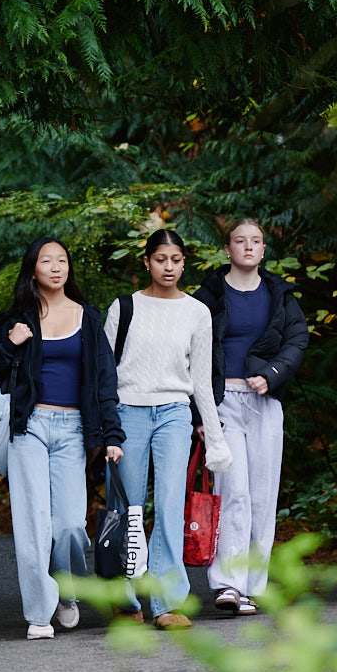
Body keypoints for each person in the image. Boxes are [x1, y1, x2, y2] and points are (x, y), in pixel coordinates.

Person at [0, 237, 125, 639]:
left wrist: (112, 434)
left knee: (71, 525)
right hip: (29, 427)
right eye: (47, 261)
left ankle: (67, 590)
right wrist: (11, 343)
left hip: (74, 430)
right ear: (33, 269)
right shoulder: (16, 320)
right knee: (32, 522)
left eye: (62, 260)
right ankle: (40, 613)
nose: (56, 267)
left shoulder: (88, 319)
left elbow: (105, 382)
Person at [104, 229, 232, 630]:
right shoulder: (123, 308)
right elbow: (104, 374)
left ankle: (166, 602)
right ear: (146, 262)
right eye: (161, 259)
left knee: (171, 505)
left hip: (175, 412)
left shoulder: (196, 312)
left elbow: (201, 381)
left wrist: (214, 438)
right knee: (128, 507)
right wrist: (105, 428)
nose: (169, 267)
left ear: (184, 262)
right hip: (128, 413)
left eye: (176, 260)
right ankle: (124, 602)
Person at [194, 217, 309, 615]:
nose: (248, 246)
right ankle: (227, 583)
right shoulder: (209, 293)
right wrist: (200, 411)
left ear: (263, 250)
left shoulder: (278, 293)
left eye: (255, 241)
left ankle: (251, 587)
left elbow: (298, 339)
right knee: (235, 491)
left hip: (265, 404)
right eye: (239, 241)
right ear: (227, 249)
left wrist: (272, 374)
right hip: (222, 401)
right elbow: (190, 345)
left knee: (262, 496)